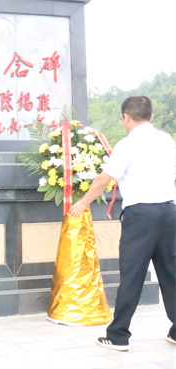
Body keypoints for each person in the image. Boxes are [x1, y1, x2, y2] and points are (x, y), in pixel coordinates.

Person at [69, 96, 175, 351]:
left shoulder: (127, 144)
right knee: (171, 274)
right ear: (151, 116)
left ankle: (118, 335)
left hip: (141, 217)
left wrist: (82, 203)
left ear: (126, 117)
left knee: (132, 275)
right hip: (170, 213)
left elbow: (103, 180)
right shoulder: (167, 140)